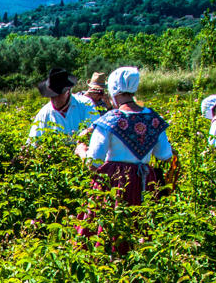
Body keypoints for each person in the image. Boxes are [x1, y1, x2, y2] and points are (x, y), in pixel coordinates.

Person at [83, 67, 174, 206]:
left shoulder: (109, 120)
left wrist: (81, 152)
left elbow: (93, 162)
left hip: (116, 181)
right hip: (144, 181)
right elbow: (165, 155)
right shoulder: (153, 119)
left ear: (114, 90)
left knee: (112, 222)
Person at [29, 68, 97, 142]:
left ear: (68, 91)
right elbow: (32, 142)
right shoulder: (44, 114)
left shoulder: (85, 104)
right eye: (52, 95)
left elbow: (96, 128)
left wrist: (88, 131)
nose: (55, 99)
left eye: (58, 95)